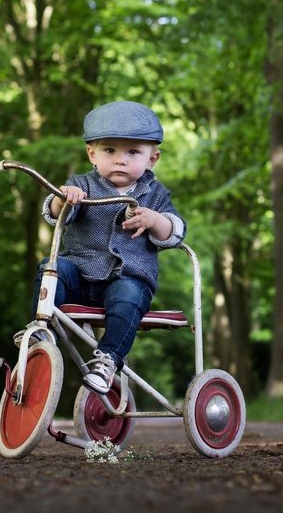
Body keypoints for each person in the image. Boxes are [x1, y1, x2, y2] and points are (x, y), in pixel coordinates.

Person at [34, 100, 186, 395]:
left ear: (152, 159)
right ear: (92, 153)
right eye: (109, 150)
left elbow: (176, 231)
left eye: (132, 152)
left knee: (130, 293)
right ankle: (41, 333)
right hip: (79, 275)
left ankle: (107, 360)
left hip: (126, 280)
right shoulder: (82, 185)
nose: (120, 160)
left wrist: (155, 220)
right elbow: (54, 215)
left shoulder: (154, 193)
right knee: (51, 267)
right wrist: (63, 198)